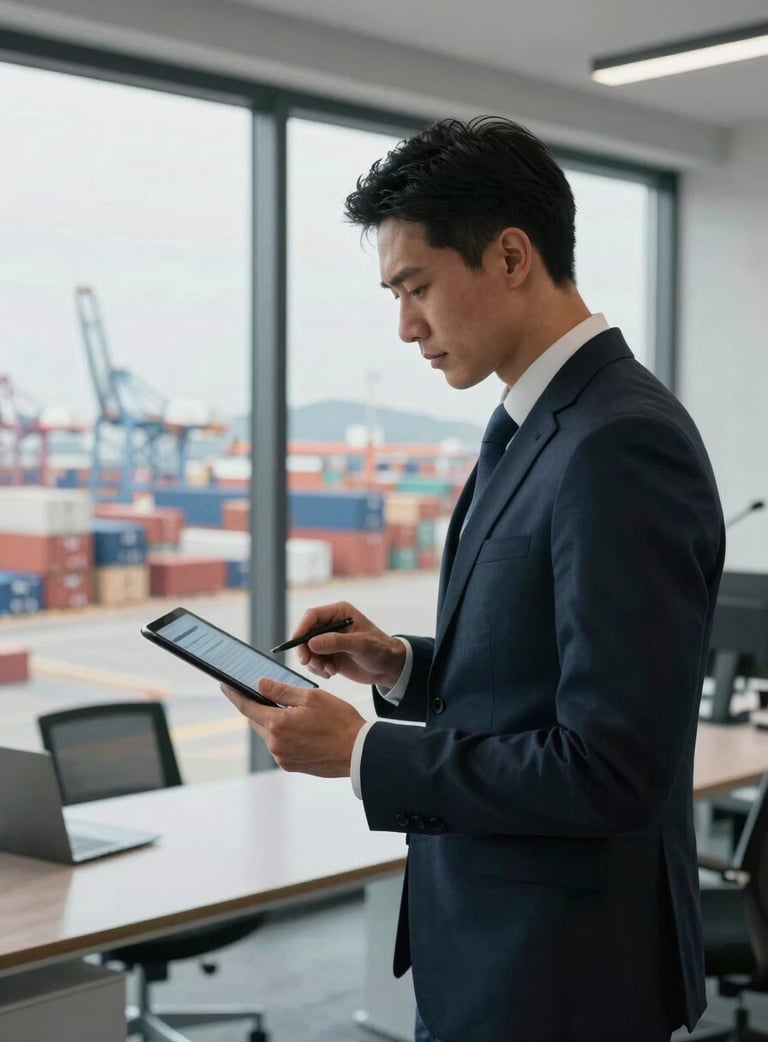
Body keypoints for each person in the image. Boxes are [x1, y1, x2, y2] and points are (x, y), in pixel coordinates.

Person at [221, 116, 725, 1042]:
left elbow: (613, 769)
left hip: (561, 973)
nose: (406, 327)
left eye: (417, 287)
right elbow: (544, 668)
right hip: (498, 945)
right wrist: (405, 666)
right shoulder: (542, 425)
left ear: (509, 256)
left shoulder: (619, 442)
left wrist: (365, 754)